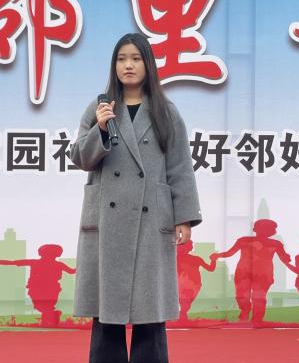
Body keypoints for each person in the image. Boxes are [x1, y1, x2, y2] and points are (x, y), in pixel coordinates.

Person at [70, 33, 202, 363]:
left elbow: (179, 166)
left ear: (148, 64)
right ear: (113, 65)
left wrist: (184, 217)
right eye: (121, 59)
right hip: (107, 221)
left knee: (150, 311)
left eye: (135, 58)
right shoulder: (99, 107)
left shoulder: (165, 110)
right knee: (106, 314)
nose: (128, 65)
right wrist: (101, 129)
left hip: (150, 219)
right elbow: (80, 157)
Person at [210, 219, 292, 323]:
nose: (272, 231)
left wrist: (217, 255)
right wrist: (218, 255)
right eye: (270, 228)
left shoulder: (274, 243)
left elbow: (284, 258)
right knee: (245, 295)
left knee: (256, 297)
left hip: (260, 274)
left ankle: (255, 318)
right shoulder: (246, 240)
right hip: (246, 273)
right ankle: (248, 314)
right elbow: (230, 253)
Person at [0, 244, 75, 326]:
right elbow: (14, 262)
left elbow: (71, 271)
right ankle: (52, 316)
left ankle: (46, 321)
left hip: (49, 287)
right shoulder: (37, 262)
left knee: (47, 306)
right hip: (38, 287)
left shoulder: (57, 264)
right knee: (42, 306)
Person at [176, 240, 216, 321]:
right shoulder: (194, 259)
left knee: (185, 302)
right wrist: (213, 259)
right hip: (190, 285)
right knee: (185, 302)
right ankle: (182, 315)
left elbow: (210, 269)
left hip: (189, 285)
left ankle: (182, 315)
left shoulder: (193, 259)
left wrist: (213, 259)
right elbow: (211, 268)